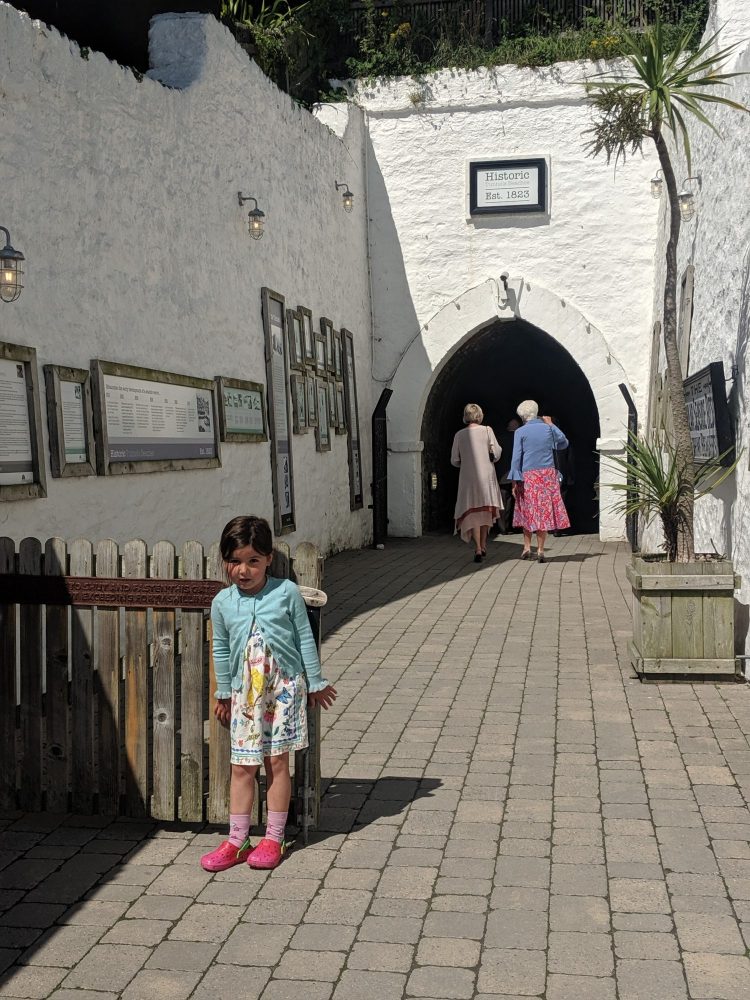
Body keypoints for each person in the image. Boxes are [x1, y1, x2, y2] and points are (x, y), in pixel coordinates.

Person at [200, 515, 337, 873]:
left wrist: (316, 681)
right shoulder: (222, 602)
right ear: (225, 561)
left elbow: (305, 638)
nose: (243, 570)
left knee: (277, 763)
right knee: (242, 766)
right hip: (245, 696)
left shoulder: (286, 592)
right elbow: (221, 649)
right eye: (235, 561)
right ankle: (237, 840)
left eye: (253, 561)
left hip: (283, 691)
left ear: (268, 560)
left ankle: (274, 838)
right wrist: (224, 692)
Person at [509, 400, 570, 563]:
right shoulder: (547, 429)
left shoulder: (520, 432)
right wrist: (551, 424)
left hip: (528, 476)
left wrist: (514, 481)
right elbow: (563, 442)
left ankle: (527, 547)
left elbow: (516, 458)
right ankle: (541, 550)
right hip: (547, 475)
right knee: (543, 511)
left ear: (522, 416)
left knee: (527, 510)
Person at [451, 403, 502, 563]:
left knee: (472, 511)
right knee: (485, 510)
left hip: (468, 477)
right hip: (486, 476)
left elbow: (454, 460)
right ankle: (484, 544)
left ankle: (478, 548)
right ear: (479, 415)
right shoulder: (487, 430)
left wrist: (465, 463)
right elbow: (497, 453)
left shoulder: (459, 435)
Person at [496, 417, 521, 534]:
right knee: (515, 501)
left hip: (502, 475)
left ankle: (503, 527)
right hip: (517, 474)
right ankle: (515, 525)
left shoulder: (500, 438)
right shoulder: (520, 438)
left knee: (503, 501)